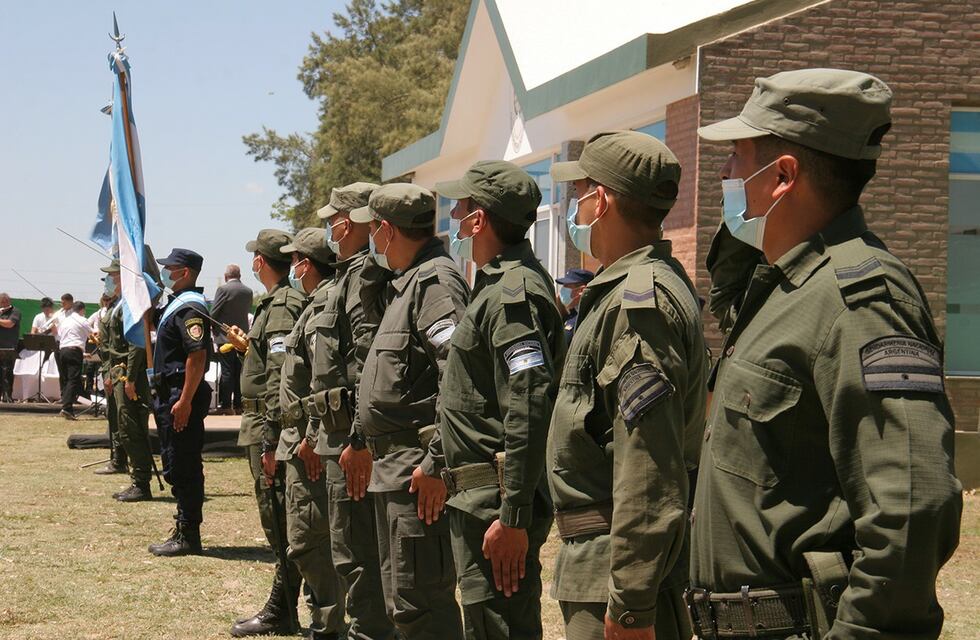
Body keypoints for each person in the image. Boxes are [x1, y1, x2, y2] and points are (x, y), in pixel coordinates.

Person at [689, 68, 963, 640]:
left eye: (737, 157)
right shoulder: (785, 290)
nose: (724, 173)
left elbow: (911, 511)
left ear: (783, 175)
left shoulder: (861, 301)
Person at [546, 130, 708, 640]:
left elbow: (648, 464)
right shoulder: (623, 291)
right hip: (600, 566)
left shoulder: (640, 303)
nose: (576, 206)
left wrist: (633, 602)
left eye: (582, 193)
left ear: (604, 200)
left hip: (615, 573)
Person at [434, 161, 566, 640]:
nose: (454, 215)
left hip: (495, 506)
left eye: (462, 206)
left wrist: (513, 517)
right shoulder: (492, 285)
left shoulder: (515, 294)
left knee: (499, 627)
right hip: (478, 498)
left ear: (481, 219)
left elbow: (528, 402)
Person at [352, 183, 468, 640]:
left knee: (421, 608)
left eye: (374, 232)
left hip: (416, 474)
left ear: (384, 229)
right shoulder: (406, 283)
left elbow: (458, 378)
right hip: (394, 469)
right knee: (402, 604)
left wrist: (436, 461)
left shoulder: (435, 282)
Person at [296, 182, 396, 640]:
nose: (331, 226)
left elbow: (367, 367)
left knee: (359, 561)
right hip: (336, 438)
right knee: (349, 555)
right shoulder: (348, 276)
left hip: (355, 445)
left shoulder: (369, 278)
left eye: (336, 218)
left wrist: (358, 439)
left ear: (355, 222)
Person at [269, 227, 351, 640]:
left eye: (297, 260)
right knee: (307, 540)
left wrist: (313, 437)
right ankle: (326, 622)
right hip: (297, 443)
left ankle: (328, 626)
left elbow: (325, 380)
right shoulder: (312, 305)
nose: (293, 267)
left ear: (307, 264)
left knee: (310, 542)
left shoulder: (323, 310)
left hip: (308, 447)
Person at [227, 230, 307, 635]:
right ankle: (285, 605)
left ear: (260, 262)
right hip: (260, 422)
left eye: (255, 257)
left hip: (266, 425)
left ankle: (283, 610)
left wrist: (273, 438)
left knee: (277, 517)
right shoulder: (276, 304)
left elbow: (281, 376)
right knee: (275, 516)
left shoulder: (281, 306)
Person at [147, 248, 213, 557]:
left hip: (180, 394)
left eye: (169, 269)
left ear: (184, 272)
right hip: (170, 393)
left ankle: (189, 533)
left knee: (183, 462)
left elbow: (197, 356)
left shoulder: (191, 309)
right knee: (174, 461)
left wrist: (185, 400)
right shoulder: (175, 304)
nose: (165, 273)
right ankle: (183, 526)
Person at [99, 260, 155, 502]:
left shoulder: (130, 305)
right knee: (124, 428)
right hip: (118, 373)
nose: (109, 280)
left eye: (112, 276)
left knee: (132, 429)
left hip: (128, 375)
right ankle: (136, 478)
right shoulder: (118, 304)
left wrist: (130, 377)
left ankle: (141, 482)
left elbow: (137, 345)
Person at [211, 263, 252, 415]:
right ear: (239, 276)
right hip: (242, 337)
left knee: (227, 372)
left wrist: (214, 329)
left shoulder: (223, 289)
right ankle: (239, 405)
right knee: (239, 372)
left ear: (226, 276)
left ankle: (226, 405)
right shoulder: (247, 291)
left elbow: (214, 313)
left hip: (225, 337)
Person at [57, 301, 94, 419]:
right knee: (73, 379)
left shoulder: (65, 321)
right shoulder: (83, 320)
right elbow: (94, 333)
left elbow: (65, 338)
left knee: (66, 379)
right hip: (74, 351)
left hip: (62, 351)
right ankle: (67, 407)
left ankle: (68, 405)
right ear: (82, 310)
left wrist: (82, 354)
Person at [554, 268, 594, 343]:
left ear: (581, 290)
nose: (562, 290)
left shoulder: (585, 317)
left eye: (567, 286)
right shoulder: (571, 315)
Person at [52, 293, 74, 397]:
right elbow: (55, 329)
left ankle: (70, 395)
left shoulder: (74, 314)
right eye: (61, 302)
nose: (62, 305)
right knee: (61, 371)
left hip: (68, 344)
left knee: (69, 372)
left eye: (64, 303)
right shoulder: (59, 313)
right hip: (58, 343)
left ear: (70, 302)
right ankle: (63, 394)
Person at [0, 293, 21, 403]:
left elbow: (10, 324)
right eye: (2, 302)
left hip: (9, 346)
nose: (4, 304)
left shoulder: (15, 311)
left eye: (5, 302)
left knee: (7, 371)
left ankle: (7, 396)